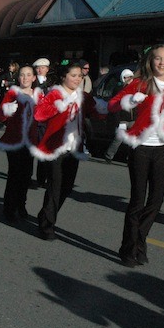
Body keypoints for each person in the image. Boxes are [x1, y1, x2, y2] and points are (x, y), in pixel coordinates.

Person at [108, 44, 164, 267]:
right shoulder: (139, 82)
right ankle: (128, 249)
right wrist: (131, 101)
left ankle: (139, 241)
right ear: (150, 61)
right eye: (157, 59)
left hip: (163, 149)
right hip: (141, 147)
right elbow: (113, 104)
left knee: (156, 201)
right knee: (137, 201)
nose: (162, 63)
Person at [30, 61, 102, 241]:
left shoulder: (83, 96)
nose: (77, 79)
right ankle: (47, 225)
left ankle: (46, 214)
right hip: (54, 148)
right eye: (73, 75)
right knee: (55, 185)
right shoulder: (55, 93)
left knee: (66, 187)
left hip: (74, 148)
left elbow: (100, 110)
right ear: (64, 77)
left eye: (80, 76)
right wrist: (59, 106)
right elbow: (39, 114)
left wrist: (126, 101)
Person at [0, 64, 43, 222]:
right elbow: (0, 116)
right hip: (14, 140)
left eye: (28, 75)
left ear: (34, 78)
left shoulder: (38, 95)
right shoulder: (12, 93)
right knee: (14, 175)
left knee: (26, 175)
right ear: (18, 77)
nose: (25, 78)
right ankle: (9, 208)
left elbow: (45, 114)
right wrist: (5, 110)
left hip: (30, 141)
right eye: (22, 75)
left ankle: (21, 205)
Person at [103, 68, 134, 163]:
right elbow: (115, 105)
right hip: (122, 119)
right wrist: (117, 120)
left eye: (130, 77)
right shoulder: (119, 89)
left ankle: (132, 158)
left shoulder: (136, 88)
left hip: (133, 119)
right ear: (122, 78)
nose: (129, 79)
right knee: (119, 138)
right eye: (126, 77)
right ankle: (109, 156)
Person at [32, 57, 52, 187]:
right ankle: (27, 176)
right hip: (34, 120)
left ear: (47, 69)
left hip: (47, 121)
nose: (40, 70)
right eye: (38, 68)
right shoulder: (33, 83)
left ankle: (41, 178)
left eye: (43, 68)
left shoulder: (51, 83)